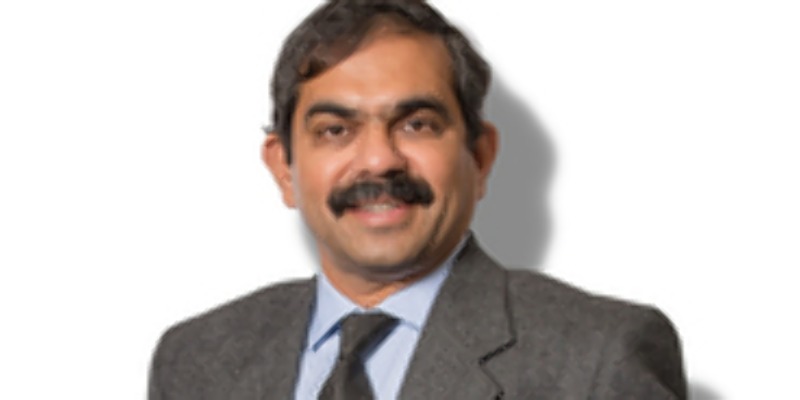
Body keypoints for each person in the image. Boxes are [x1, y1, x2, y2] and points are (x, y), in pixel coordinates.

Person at [148, 1, 687, 399]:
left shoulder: (599, 357)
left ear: (480, 157)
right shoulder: (195, 360)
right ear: (284, 168)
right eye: (336, 130)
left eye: (417, 124)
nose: (379, 160)